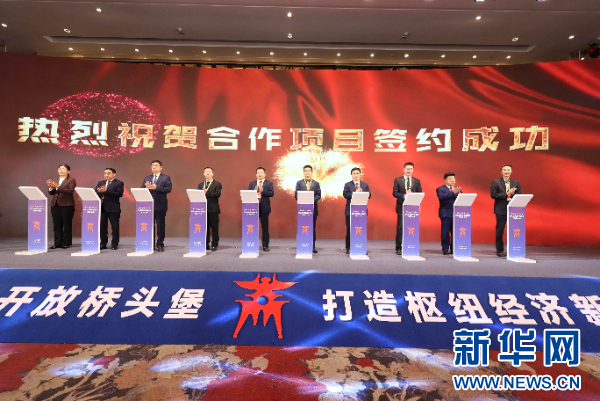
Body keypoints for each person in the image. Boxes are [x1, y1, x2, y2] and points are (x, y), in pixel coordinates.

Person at [491, 164, 521, 257]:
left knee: (513, 230)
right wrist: (507, 193)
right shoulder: (495, 182)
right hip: (501, 209)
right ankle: (499, 250)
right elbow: (493, 195)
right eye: (504, 170)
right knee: (500, 230)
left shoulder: (516, 183)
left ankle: (512, 249)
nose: (506, 171)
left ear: (511, 171)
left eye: (508, 170)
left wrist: (512, 194)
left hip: (513, 209)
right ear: (501, 172)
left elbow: (519, 195)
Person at [142, 160, 172, 252]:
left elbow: (168, 189)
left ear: (161, 167)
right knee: (149, 226)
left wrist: (156, 187)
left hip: (160, 205)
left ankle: (160, 244)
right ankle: (149, 243)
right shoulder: (147, 178)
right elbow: (142, 189)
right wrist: (146, 187)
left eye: (156, 165)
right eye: (152, 165)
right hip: (148, 206)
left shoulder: (165, 177)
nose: (154, 167)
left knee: (160, 226)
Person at [393, 162, 422, 255]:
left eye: (411, 169)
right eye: (407, 169)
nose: (409, 170)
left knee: (412, 227)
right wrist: (405, 196)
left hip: (413, 207)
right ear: (404, 169)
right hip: (401, 207)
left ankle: (411, 245)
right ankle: (398, 247)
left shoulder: (417, 181)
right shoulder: (398, 180)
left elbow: (420, 193)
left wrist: (412, 195)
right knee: (400, 228)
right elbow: (395, 193)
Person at [46, 164, 77, 249]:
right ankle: (57, 243)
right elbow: (52, 193)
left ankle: (66, 243)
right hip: (55, 204)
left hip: (67, 205)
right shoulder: (55, 180)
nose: (60, 170)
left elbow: (70, 191)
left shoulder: (71, 180)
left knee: (67, 224)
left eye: (63, 169)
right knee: (57, 225)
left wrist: (57, 187)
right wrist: (51, 188)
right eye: (59, 169)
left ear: (68, 171)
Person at [343, 167, 371, 254]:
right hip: (350, 211)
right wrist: (355, 193)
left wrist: (362, 193)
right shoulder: (348, 185)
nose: (356, 175)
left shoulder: (364, 185)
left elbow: (369, 195)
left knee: (361, 229)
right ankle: (349, 248)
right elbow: (345, 195)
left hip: (361, 211)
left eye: (357, 173)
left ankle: (361, 247)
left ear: (360, 175)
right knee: (350, 229)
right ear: (351, 175)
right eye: (354, 173)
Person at [95, 168, 124, 250]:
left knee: (114, 227)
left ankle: (114, 244)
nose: (106, 175)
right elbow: (96, 192)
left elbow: (119, 194)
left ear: (114, 174)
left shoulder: (119, 183)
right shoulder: (101, 183)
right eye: (105, 173)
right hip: (102, 207)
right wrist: (100, 191)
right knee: (103, 227)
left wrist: (106, 191)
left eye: (108, 173)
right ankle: (103, 243)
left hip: (113, 208)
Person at [295, 165, 321, 253]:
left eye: (309, 171)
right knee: (302, 227)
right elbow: (296, 195)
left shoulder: (316, 183)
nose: (307, 172)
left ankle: (312, 246)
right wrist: (304, 200)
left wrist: (311, 200)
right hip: (302, 210)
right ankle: (301, 245)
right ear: (303, 172)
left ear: (311, 172)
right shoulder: (299, 183)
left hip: (313, 209)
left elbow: (318, 195)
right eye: (305, 171)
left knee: (312, 228)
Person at [248, 167, 274, 252]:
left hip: (264, 208)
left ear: (265, 174)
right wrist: (254, 191)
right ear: (256, 174)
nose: (259, 174)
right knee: (252, 227)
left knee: (265, 227)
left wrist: (263, 191)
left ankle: (265, 245)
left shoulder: (269, 183)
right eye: (258, 173)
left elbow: (272, 193)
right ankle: (252, 244)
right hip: (254, 208)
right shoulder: (252, 184)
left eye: (261, 172)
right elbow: (248, 194)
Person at [436, 172, 462, 255]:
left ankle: (454, 249)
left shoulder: (458, 189)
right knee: (445, 232)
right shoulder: (440, 189)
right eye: (450, 179)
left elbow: (461, 200)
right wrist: (452, 192)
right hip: (445, 213)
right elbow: (441, 197)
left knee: (455, 232)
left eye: (453, 179)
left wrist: (459, 194)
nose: (452, 180)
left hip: (456, 214)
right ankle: (445, 249)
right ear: (445, 180)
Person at [199, 167, 222, 251]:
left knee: (214, 228)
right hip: (203, 209)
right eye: (206, 171)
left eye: (209, 171)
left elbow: (217, 194)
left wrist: (207, 192)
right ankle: (206, 244)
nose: (207, 173)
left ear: (212, 174)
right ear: (203, 174)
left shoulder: (217, 184)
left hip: (213, 209)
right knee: (205, 228)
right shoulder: (201, 185)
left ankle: (214, 244)